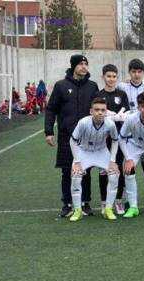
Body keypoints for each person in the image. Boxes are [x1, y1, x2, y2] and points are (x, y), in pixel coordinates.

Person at [45, 54, 99, 218]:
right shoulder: (61, 86)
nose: (84, 67)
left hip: (87, 136)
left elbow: (99, 108)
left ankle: (85, 203)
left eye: (86, 64)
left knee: (86, 170)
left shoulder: (92, 86)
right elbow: (51, 109)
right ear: (73, 66)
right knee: (68, 170)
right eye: (81, 64)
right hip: (66, 136)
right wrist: (49, 131)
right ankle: (67, 204)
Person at [68, 98, 120, 221]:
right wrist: (76, 162)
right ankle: (77, 210)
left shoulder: (110, 124)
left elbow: (115, 140)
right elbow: (73, 141)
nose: (100, 112)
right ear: (91, 111)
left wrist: (112, 161)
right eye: (97, 110)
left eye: (103, 110)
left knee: (114, 174)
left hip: (101, 152)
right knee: (76, 175)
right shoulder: (83, 122)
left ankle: (108, 209)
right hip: (84, 151)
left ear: (106, 112)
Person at [117, 58, 144, 212]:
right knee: (129, 168)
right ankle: (129, 200)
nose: (136, 75)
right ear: (129, 72)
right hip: (129, 134)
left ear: (143, 72)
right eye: (133, 72)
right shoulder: (123, 86)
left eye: (139, 71)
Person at [97, 64, 130, 215]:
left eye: (114, 76)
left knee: (118, 169)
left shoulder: (122, 94)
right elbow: (98, 114)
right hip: (103, 139)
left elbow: (126, 114)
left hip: (119, 137)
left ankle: (118, 201)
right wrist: (112, 115)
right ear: (103, 77)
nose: (111, 79)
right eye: (108, 76)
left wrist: (116, 116)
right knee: (104, 170)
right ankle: (104, 202)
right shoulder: (99, 95)